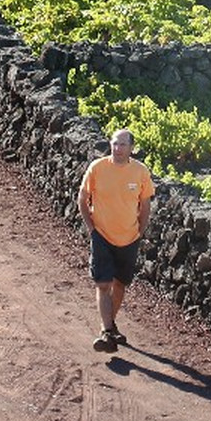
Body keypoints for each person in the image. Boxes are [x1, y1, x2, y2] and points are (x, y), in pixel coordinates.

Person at [77, 127, 154, 353]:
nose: (117, 148)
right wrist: (91, 229)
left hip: (129, 237)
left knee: (120, 284)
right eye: (114, 143)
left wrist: (140, 231)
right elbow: (82, 198)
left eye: (122, 144)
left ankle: (108, 328)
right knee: (103, 284)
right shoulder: (97, 168)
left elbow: (146, 205)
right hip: (101, 234)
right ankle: (107, 330)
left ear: (131, 148)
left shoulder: (140, 172)